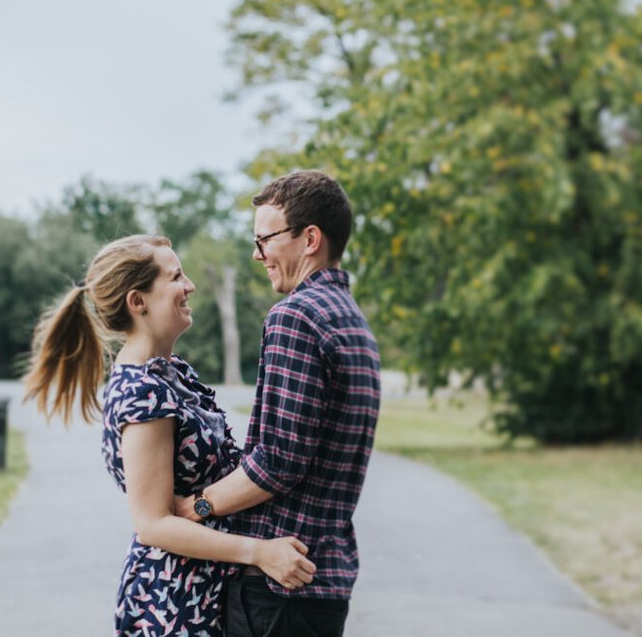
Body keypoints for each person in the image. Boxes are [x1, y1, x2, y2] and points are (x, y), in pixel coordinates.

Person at [22, 234, 317, 636]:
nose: (189, 285)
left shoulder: (172, 372)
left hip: (208, 590)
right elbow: (154, 523)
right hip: (175, 603)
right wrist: (260, 552)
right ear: (137, 301)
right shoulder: (141, 391)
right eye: (176, 276)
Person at [176, 171, 381, 636]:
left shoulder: (296, 317)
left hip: (278, 586)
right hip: (325, 579)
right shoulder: (353, 323)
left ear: (310, 239)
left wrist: (194, 509)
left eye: (264, 239)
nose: (257, 254)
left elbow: (278, 462)